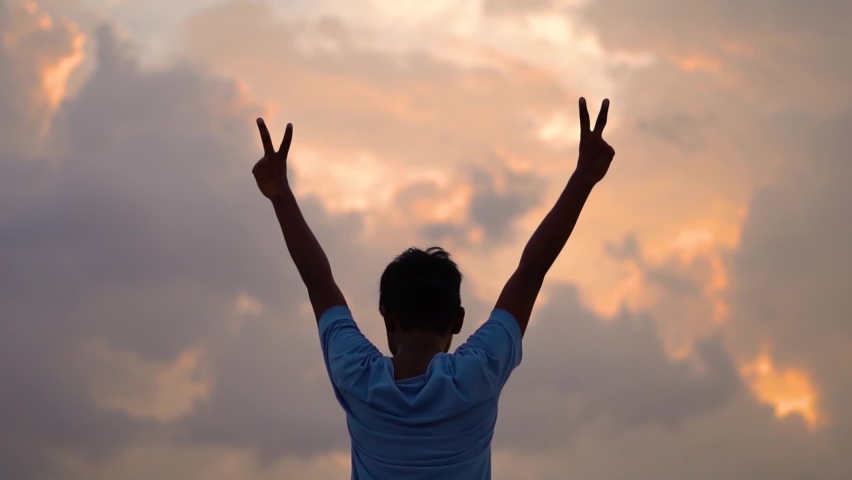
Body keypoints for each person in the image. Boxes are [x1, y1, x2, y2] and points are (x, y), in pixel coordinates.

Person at [252, 97, 615, 479]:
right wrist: (583, 178)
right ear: (456, 320)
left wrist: (281, 195)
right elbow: (532, 270)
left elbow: (317, 279)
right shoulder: (477, 375)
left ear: (388, 317)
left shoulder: (358, 378)